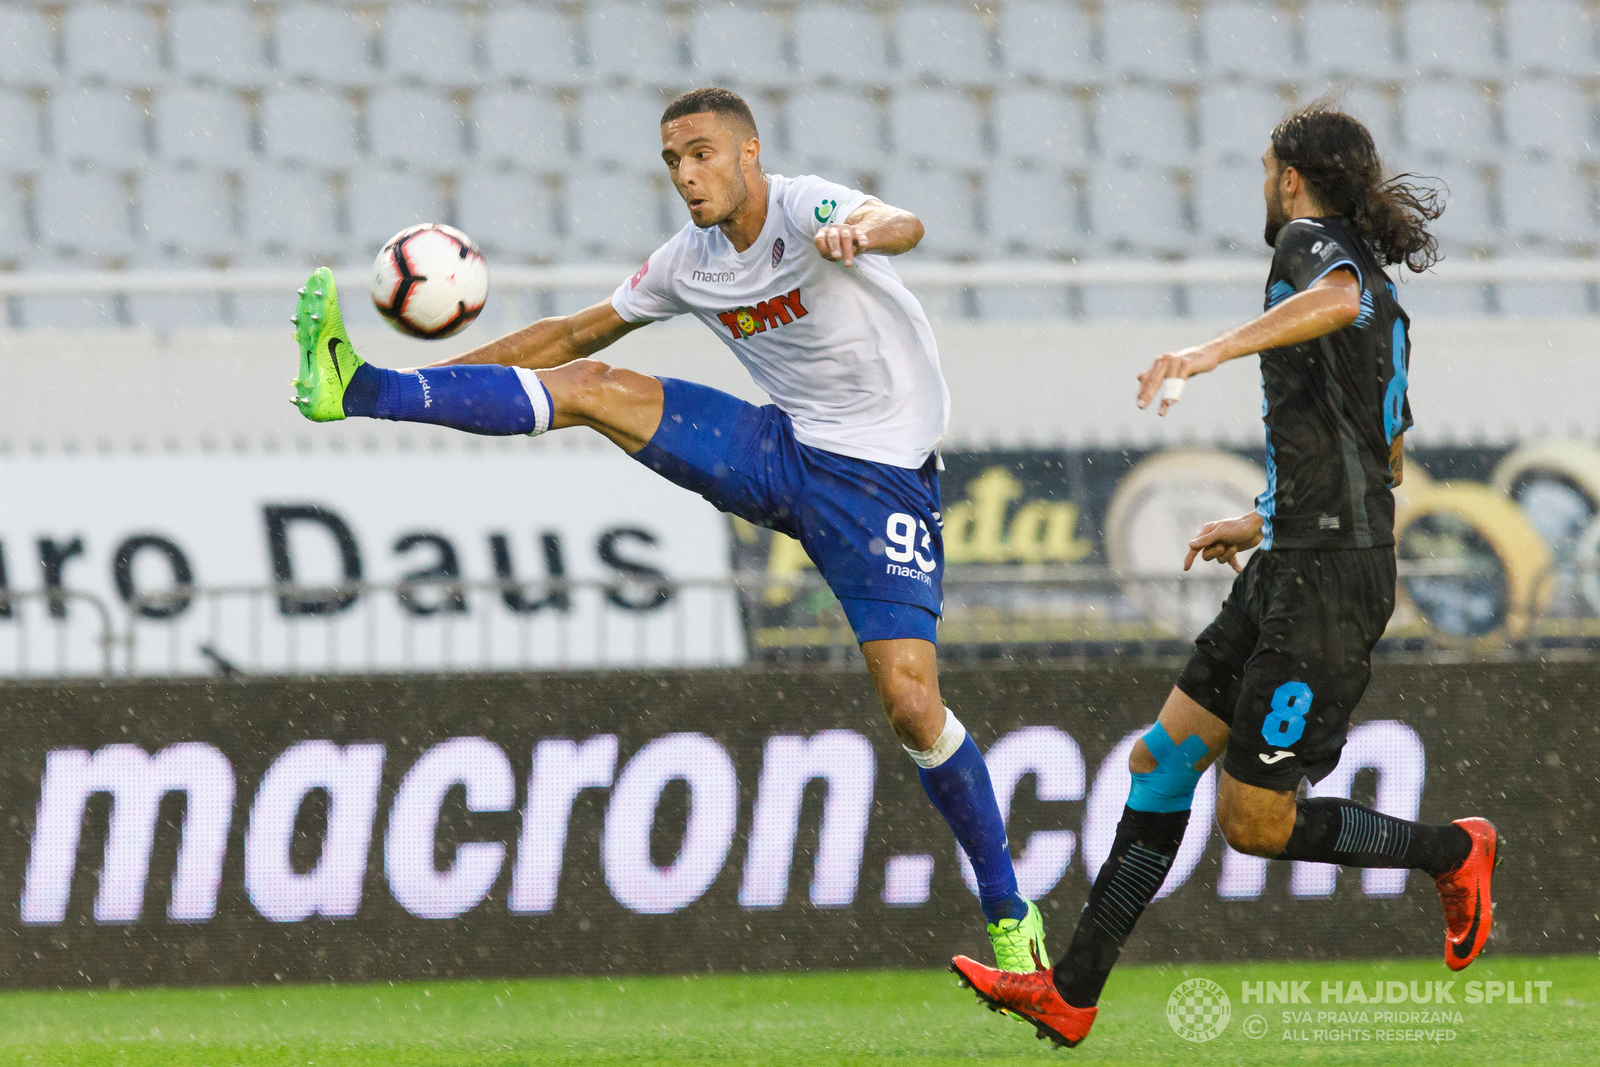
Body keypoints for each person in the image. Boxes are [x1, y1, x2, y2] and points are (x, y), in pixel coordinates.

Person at [288, 87, 1048, 970]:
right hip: (779, 448)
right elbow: (568, 333)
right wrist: (419, 383)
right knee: (593, 384)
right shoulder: (689, 263)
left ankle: (1008, 913)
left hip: (879, 484)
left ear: (749, 152)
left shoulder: (806, 208)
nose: (687, 176)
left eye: (701, 154)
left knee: (913, 706)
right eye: (672, 162)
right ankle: (361, 388)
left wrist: (861, 233)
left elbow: (903, 221)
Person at [952, 102, 1499, 1047]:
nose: (1263, 185)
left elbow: (1333, 299)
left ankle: (1455, 850)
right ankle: (1072, 991)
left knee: (1254, 821)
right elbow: (1390, 457)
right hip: (1298, 557)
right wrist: (1265, 517)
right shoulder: (1379, 288)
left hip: (1328, 581)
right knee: (1161, 761)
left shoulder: (1311, 247)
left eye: (1264, 168)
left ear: (1292, 177)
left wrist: (1207, 352)